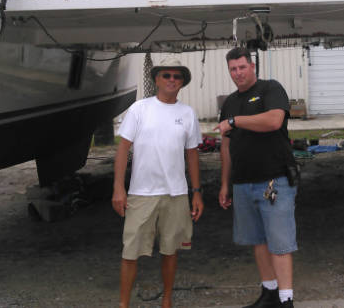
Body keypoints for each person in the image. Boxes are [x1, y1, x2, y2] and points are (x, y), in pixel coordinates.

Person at [112, 57, 204, 308]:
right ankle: (123, 304)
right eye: (167, 75)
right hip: (141, 194)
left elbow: (192, 155)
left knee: (170, 250)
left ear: (182, 82)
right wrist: (118, 187)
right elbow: (122, 151)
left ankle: (167, 300)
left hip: (176, 194)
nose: (172, 80)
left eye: (177, 76)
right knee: (130, 252)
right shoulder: (139, 109)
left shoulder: (187, 114)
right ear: (156, 79)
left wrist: (196, 193)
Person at [216, 47, 298, 308]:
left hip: (274, 181)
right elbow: (226, 147)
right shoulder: (229, 102)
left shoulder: (271, 89)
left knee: (280, 243)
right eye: (233, 69)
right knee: (257, 241)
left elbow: (274, 121)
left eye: (242, 67)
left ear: (252, 66)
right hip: (242, 183)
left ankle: (287, 300)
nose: (238, 73)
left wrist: (236, 120)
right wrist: (224, 184)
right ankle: (269, 293)